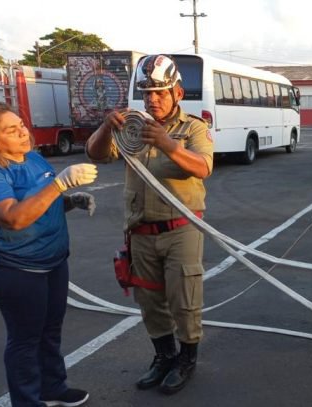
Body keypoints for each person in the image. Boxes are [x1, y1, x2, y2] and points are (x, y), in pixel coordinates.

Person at [86, 54, 214, 394]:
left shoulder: (194, 128)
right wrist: (105, 127)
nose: (152, 99)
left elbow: (203, 167)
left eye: (160, 92)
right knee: (149, 301)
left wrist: (167, 144)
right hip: (140, 231)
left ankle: (187, 360)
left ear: (178, 93)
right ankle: (164, 356)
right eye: (147, 93)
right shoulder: (133, 127)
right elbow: (96, 155)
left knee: (184, 299)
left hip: (180, 229)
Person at [0, 101, 97, 407]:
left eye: (21, 124)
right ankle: (27, 401)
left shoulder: (34, 160)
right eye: (11, 130)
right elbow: (14, 217)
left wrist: (70, 200)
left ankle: (53, 387)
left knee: (50, 331)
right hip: (15, 271)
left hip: (52, 263)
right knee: (25, 339)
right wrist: (61, 183)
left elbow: (41, 204)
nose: (23, 132)